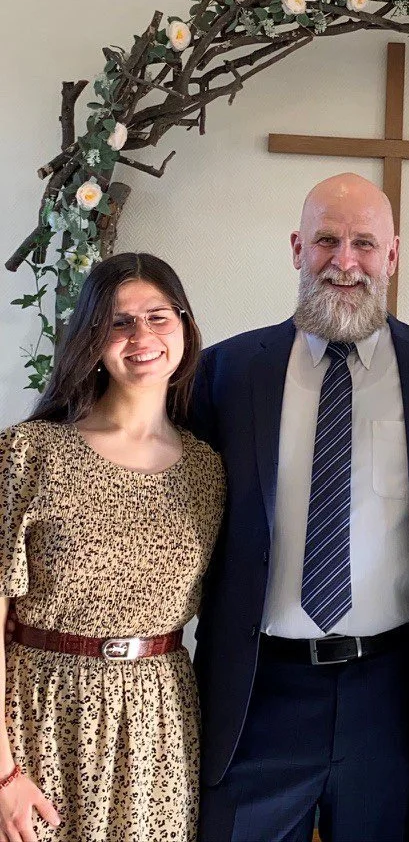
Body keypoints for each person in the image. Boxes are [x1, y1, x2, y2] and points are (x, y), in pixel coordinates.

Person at [191, 173, 409, 842]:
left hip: (390, 695)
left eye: (364, 243)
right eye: (326, 240)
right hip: (257, 694)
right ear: (296, 248)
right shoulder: (224, 373)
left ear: (393, 255)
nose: (344, 261)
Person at [0, 253, 224, 842]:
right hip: (39, 716)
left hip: (159, 729)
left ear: (185, 326)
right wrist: (4, 775)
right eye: (119, 322)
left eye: (158, 317)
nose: (141, 337)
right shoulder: (29, 453)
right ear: (91, 339)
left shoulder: (207, 470)